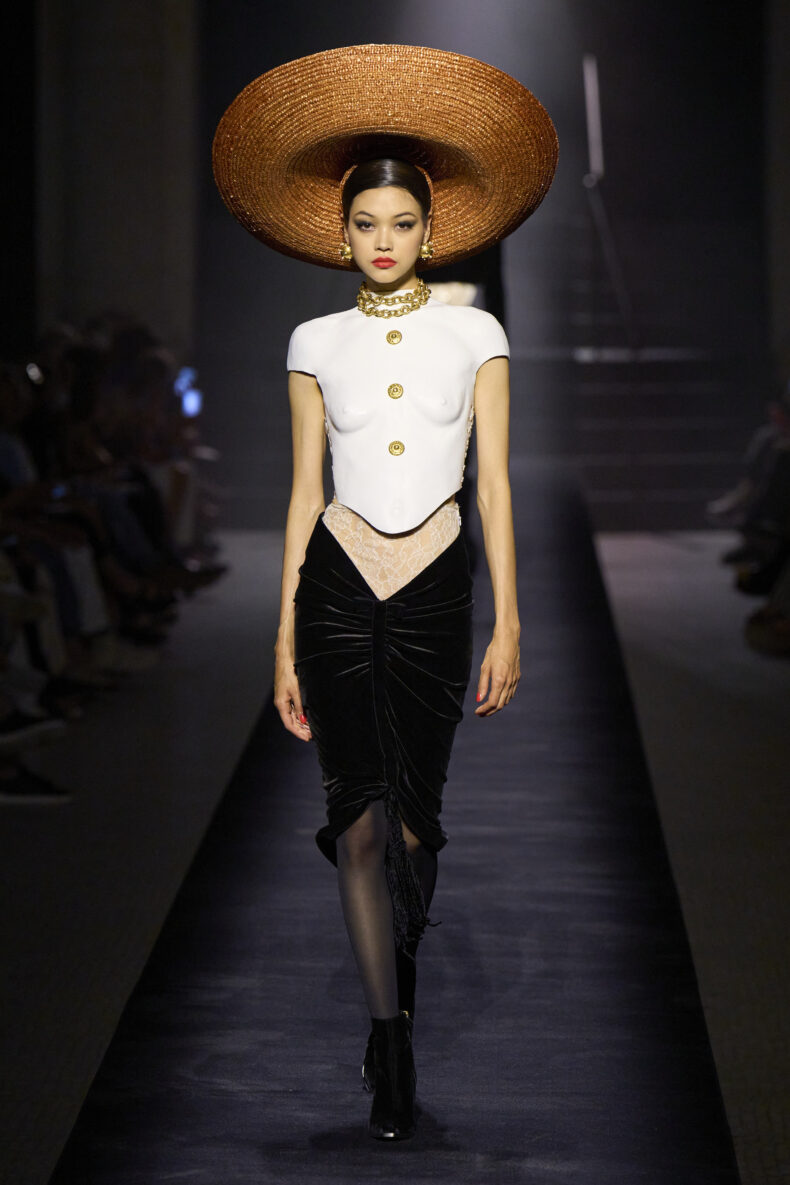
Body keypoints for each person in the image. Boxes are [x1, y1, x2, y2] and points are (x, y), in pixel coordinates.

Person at [212, 43, 558, 1141]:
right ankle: (392, 1038)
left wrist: (511, 620)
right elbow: (303, 493)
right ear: (341, 231)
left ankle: (392, 1002)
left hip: (436, 591)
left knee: (414, 827)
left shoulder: (476, 333)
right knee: (356, 823)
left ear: (430, 228)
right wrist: (280, 642)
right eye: (366, 223)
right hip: (334, 587)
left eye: (402, 223)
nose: (383, 240)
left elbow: (494, 486)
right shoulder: (313, 341)